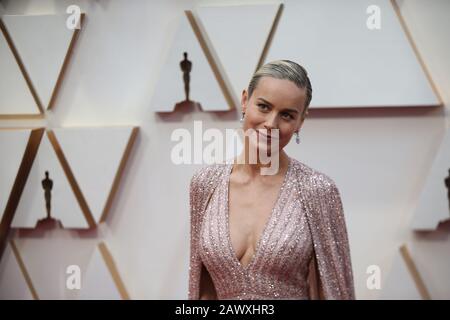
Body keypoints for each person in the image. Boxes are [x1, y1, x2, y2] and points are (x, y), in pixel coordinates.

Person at [188, 60, 355, 300]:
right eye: (264, 107)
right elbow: (202, 288)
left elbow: (337, 291)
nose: (271, 124)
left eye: (286, 115)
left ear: (300, 122)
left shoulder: (317, 189)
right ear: (245, 101)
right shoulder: (205, 184)